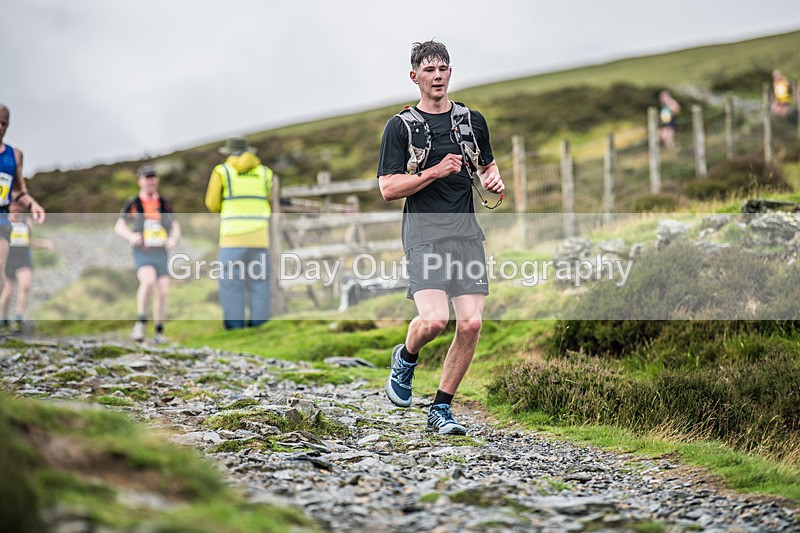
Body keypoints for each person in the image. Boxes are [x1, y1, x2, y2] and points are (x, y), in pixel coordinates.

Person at [377, 40, 504, 435]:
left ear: (451, 73)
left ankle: (441, 408)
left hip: (465, 234)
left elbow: (486, 167)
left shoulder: (471, 121)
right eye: (429, 71)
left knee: (470, 325)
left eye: (443, 69)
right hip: (424, 235)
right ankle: (406, 355)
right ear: (415, 77)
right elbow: (388, 188)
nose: (438, 77)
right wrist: (433, 171)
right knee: (433, 321)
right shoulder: (400, 127)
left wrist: (493, 179)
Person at [205, 137, 273, 330]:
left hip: (232, 238)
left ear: (228, 152)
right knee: (259, 283)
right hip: (260, 237)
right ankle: (260, 327)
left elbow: (212, 203)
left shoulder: (222, 171)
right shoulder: (265, 172)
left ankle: (235, 328)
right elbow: (267, 196)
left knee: (231, 284)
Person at [114, 164, 180, 344]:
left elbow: (175, 225)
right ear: (140, 181)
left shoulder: (164, 203)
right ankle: (141, 323)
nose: (150, 181)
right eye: (146, 178)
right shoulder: (133, 203)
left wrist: (173, 239)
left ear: (156, 180)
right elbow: (119, 226)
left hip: (161, 252)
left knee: (164, 291)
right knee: (148, 281)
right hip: (143, 251)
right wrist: (131, 237)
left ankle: (159, 331)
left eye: (153, 178)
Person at [0, 104, 47, 319]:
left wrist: (33, 204)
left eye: (4, 123)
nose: (0, 127)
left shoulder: (15, 155)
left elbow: (18, 190)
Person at [0, 200, 54, 332]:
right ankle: (4, 319)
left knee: (26, 285)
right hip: (8, 258)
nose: (18, 208)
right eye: (15, 205)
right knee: (7, 291)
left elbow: (29, 240)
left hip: (23, 258)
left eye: (20, 205)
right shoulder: (4, 221)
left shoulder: (26, 222)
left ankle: (19, 317)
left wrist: (43, 244)